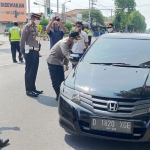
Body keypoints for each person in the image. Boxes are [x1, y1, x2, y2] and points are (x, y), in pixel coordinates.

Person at [47, 30, 82, 101]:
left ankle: (62, 95)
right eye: (76, 39)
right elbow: (67, 55)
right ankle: (58, 96)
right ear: (71, 38)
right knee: (55, 80)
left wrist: (66, 64)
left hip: (60, 61)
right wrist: (77, 63)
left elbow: (68, 54)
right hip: (53, 61)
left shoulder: (71, 42)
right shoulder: (64, 43)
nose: (77, 41)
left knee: (62, 79)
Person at [20, 13, 43, 97]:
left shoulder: (35, 27)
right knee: (29, 71)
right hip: (29, 51)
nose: (38, 20)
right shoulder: (27, 27)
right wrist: (22, 52)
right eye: (37, 18)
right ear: (33, 18)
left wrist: (38, 50)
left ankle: (33, 88)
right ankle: (29, 90)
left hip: (35, 51)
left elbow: (36, 40)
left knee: (34, 70)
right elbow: (23, 40)